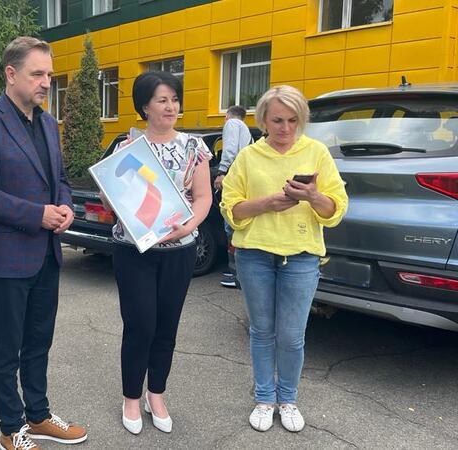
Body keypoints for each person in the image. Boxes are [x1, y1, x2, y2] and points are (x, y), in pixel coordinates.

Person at [0, 37, 88, 450]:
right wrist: (37, 215)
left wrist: (65, 207)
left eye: (49, 74)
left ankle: (38, 415)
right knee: (8, 347)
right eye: (37, 74)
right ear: (11, 74)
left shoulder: (49, 124)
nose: (46, 82)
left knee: (39, 341)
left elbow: (60, 180)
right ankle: (10, 427)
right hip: (9, 256)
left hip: (47, 253)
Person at [220, 85, 348, 433]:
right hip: (255, 255)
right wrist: (266, 203)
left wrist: (313, 196)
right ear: (263, 120)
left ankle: (288, 399)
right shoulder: (248, 157)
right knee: (262, 331)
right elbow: (230, 209)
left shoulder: (316, 153)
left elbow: (336, 210)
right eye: (277, 120)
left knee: (291, 336)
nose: (286, 128)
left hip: (302, 256)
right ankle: (264, 398)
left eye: (293, 120)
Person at [108, 71, 213, 435]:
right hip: (133, 249)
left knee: (167, 326)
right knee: (140, 325)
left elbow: (203, 197)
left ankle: (157, 395)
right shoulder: (127, 148)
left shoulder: (193, 147)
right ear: (145, 107)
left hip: (179, 250)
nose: (171, 107)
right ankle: (131, 398)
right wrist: (111, 194)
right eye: (162, 100)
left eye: (175, 99)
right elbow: (114, 197)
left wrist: (189, 225)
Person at [214, 105, 253, 288]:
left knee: (231, 225)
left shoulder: (232, 124)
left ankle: (236, 273)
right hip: (245, 182)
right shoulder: (245, 130)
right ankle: (237, 271)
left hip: (235, 181)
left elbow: (229, 150)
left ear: (228, 115)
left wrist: (221, 172)